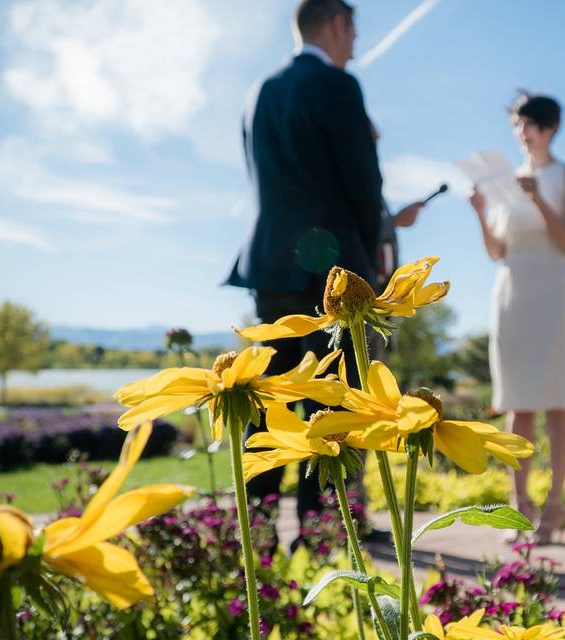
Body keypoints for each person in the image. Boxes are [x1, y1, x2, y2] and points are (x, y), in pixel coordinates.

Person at [226, 0, 414, 539]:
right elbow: (361, 182)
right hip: (332, 267)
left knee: (269, 398)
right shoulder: (340, 85)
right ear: (337, 24)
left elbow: (263, 179)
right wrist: (374, 238)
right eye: (354, 31)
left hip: (269, 261)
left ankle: (256, 532)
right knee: (341, 398)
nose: (355, 44)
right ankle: (324, 528)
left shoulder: (257, 93)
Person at [468, 92, 565, 544]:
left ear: (550, 127)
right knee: (518, 401)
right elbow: (496, 251)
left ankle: (555, 505)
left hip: (558, 292)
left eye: (530, 125)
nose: (523, 133)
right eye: (517, 125)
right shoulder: (503, 181)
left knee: (560, 399)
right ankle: (519, 506)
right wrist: (482, 214)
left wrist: (539, 200)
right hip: (514, 292)